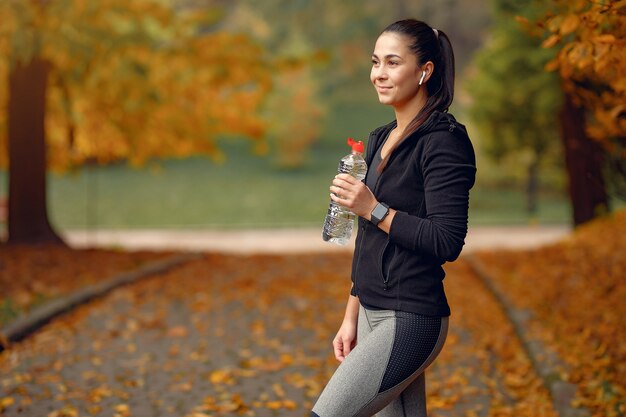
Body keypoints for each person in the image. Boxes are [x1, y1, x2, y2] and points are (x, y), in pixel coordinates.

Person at [310, 19, 477, 417]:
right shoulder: (380, 138)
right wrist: (350, 315)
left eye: (392, 62)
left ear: (425, 71)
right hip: (370, 312)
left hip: (411, 317)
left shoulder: (444, 142)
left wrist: (373, 207)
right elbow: (369, 237)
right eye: (375, 62)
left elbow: (446, 240)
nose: (378, 74)